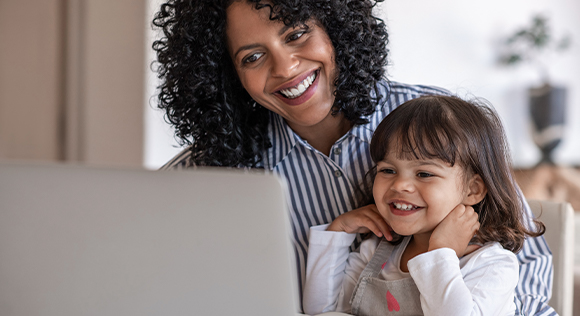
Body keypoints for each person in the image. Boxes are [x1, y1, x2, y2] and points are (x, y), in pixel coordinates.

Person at [152, 1, 555, 314]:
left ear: (335, 28)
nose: (286, 67)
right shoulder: (212, 170)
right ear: (227, 76)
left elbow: (529, 264)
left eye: (296, 34)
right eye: (252, 57)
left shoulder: (436, 121)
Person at [302, 95, 546, 315]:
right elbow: (321, 310)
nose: (400, 185)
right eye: (388, 170)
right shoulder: (376, 253)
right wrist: (338, 231)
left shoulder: (491, 265)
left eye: (424, 174)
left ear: (473, 189)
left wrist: (441, 252)